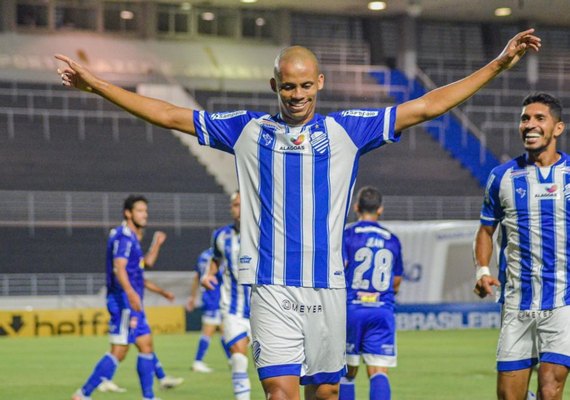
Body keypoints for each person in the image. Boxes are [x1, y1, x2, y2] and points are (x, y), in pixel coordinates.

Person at [56, 29, 540, 400]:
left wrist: (498, 63)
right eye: (288, 86)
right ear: (274, 85)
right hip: (271, 289)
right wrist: (97, 84)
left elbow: (427, 105)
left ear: (320, 83)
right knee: (282, 392)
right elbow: (167, 114)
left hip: (329, 288)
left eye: (306, 85)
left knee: (326, 391)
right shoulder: (246, 130)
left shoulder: (349, 131)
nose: (297, 95)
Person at [473, 93, 568, 400]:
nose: (530, 125)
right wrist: (482, 270)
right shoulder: (501, 177)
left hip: (563, 302)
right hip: (517, 303)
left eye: (540, 118)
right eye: (525, 118)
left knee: (551, 390)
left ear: (557, 128)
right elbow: (486, 230)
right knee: (508, 396)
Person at [72, 195, 183, 400]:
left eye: (146, 211)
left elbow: (142, 268)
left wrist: (156, 244)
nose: (145, 215)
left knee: (146, 345)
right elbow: (119, 268)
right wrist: (131, 294)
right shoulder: (124, 237)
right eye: (140, 211)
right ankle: (83, 394)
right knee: (119, 351)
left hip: (131, 301)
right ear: (128, 213)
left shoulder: (132, 238)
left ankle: (148, 397)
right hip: (124, 301)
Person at [339, 186, 402, 400]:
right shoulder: (392, 239)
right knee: (378, 371)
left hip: (351, 309)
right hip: (381, 311)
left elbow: (339, 268)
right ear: (380, 209)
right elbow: (396, 281)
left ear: (356, 208)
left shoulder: (347, 235)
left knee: (347, 373)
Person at [202, 191, 252, 400]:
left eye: (243, 205)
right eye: (235, 205)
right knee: (239, 358)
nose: (239, 209)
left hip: (266, 309)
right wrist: (208, 275)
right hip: (233, 309)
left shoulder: (266, 233)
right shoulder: (221, 236)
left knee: (274, 371)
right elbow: (215, 259)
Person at [186, 247, 231, 373]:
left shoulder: (203, 255)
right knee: (209, 330)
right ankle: (198, 361)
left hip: (208, 296)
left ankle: (232, 359)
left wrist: (192, 296)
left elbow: (196, 276)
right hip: (215, 297)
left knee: (224, 330)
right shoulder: (218, 257)